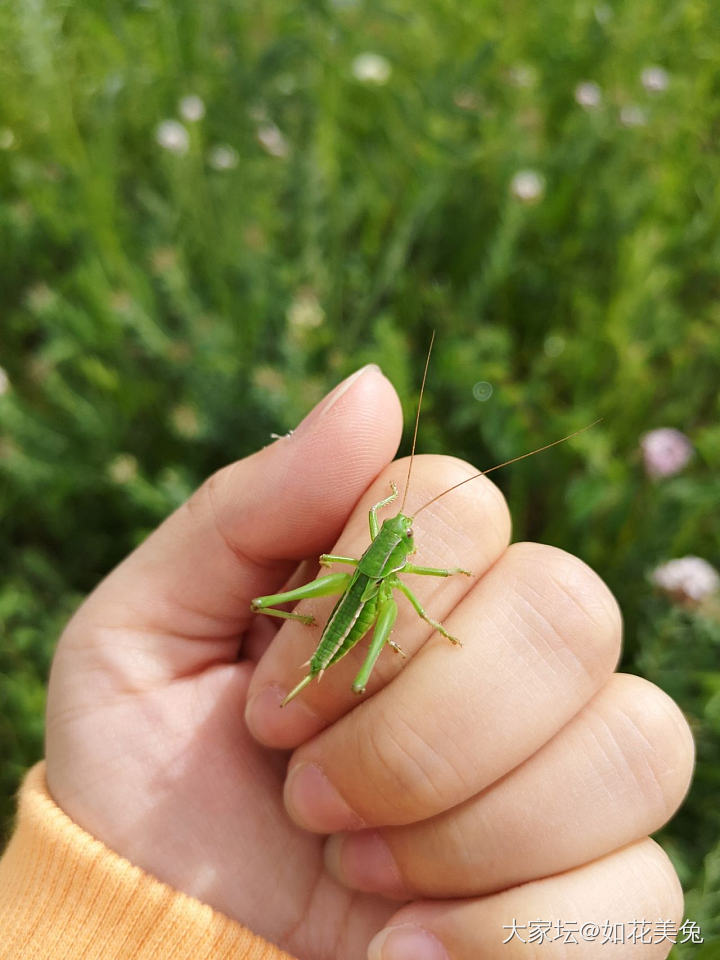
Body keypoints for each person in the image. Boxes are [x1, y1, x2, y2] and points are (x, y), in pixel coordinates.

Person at [0, 364, 694, 959]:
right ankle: (312, 647)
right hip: (357, 591)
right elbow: (378, 576)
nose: (398, 525)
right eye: (396, 524)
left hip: (366, 596)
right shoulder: (391, 549)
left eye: (399, 527)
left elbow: (406, 596)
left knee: (374, 629)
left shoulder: (392, 556)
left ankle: (324, 658)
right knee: (357, 605)